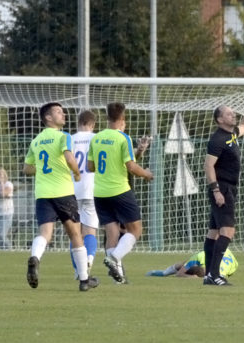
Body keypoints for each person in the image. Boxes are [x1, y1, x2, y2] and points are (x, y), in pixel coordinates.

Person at [23, 101, 99, 292]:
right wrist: (76, 172)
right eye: (58, 112)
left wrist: (42, 169)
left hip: (42, 194)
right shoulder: (63, 136)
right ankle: (84, 280)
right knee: (75, 235)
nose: (63, 114)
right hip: (63, 193)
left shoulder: (36, 141)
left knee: (45, 234)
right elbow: (69, 157)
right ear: (48, 118)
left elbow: (27, 169)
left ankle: (35, 258)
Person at [88, 102, 153, 284]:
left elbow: (90, 166)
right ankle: (114, 257)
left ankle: (119, 278)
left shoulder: (97, 138)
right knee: (136, 230)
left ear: (107, 118)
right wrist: (146, 174)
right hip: (120, 191)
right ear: (123, 119)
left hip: (100, 192)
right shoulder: (123, 138)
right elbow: (131, 167)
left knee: (112, 233)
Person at [203, 91, 244, 286]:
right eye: (228, 114)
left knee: (214, 232)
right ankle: (214, 274)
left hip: (228, 188)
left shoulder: (232, 133)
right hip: (222, 189)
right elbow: (208, 165)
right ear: (219, 119)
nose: (232, 115)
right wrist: (216, 190)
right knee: (227, 231)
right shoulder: (217, 139)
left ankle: (208, 275)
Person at [71, 110, 98, 277]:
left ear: (78, 122)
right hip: (91, 189)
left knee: (74, 233)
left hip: (71, 191)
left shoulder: (69, 139)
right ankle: (89, 258)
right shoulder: (96, 139)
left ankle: (77, 271)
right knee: (90, 231)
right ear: (93, 124)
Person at [146, 248, 238, 278]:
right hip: (225, 253)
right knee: (181, 266)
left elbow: (179, 274)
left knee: (180, 266)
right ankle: (164, 272)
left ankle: (163, 273)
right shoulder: (223, 272)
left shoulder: (198, 257)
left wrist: (192, 277)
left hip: (211, 255)